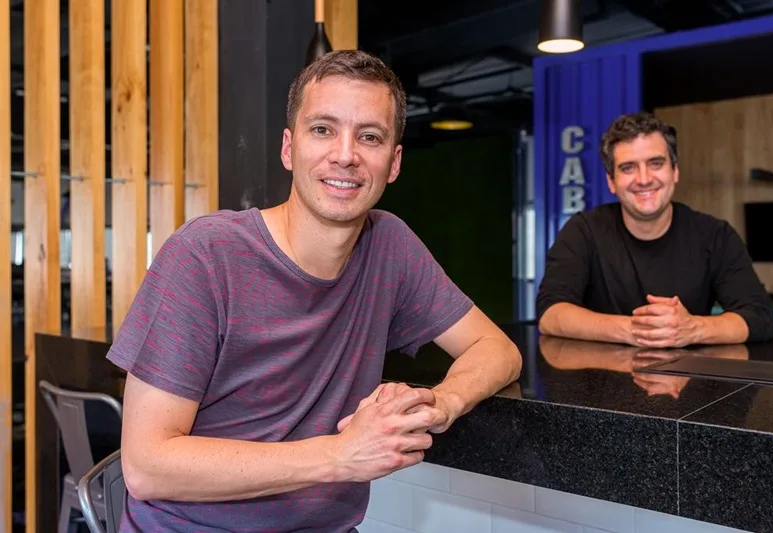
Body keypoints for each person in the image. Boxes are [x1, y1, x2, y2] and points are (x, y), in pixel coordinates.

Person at [106, 50, 522, 532]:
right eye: (323, 129)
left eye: (370, 137)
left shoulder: (389, 245)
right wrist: (340, 456)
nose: (345, 154)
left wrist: (443, 403)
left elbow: (497, 350)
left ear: (393, 162)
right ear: (289, 149)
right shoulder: (205, 255)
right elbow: (146, 466)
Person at [536, 112, 773, 348]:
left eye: (656, 163)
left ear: (675, 171)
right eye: (628, 167)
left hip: (690, 373)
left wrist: (693, 329)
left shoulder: (715, 236)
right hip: (598, 373)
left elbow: (760, 317)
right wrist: (636, 330)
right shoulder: (583, 231)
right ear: (611, 181)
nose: (644, 179)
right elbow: (550, 313)